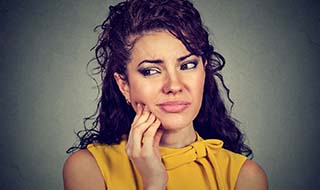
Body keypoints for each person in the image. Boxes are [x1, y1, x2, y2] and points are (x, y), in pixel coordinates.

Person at [63, 0, 268, 189]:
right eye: (151, 71)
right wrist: (154, 183)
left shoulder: (245, 177)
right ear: (124, 84)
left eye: (187, 65)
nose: (174, 86)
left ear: (204, 71)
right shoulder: (88, 168)